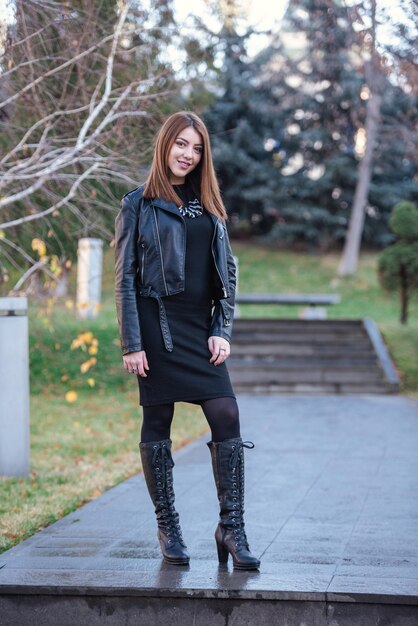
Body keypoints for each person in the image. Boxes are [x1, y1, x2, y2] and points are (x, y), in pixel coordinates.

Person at [114, 111, 260, 571]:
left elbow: (227, 273)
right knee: (159, 418)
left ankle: (231, 528)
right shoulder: (137, 203)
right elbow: (124, 280)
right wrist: (131, 342)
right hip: (156, 324)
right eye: (181, 144)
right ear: (165, 146)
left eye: (196, 149)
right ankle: (168, 525)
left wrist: (223, 328)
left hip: (200, 326)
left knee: (225, 412)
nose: (188, 154)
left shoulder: (210, 205)